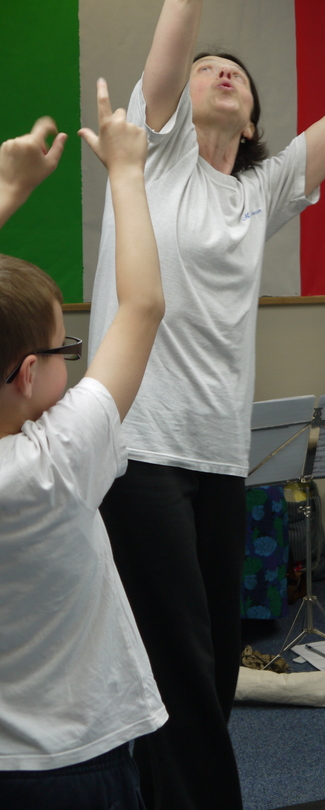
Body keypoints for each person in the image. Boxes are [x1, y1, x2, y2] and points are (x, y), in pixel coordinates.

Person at [85, 0, 325, 807]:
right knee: (174, 652)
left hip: (216, 453)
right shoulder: (154, 155)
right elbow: (175, 36)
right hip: (135, 446)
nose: (221, 73)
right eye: (209, 68)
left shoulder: (259, 190)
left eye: (237, 74)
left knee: (211, 655)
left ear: (250, 125)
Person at [0, 82, 167, 808]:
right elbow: (143, 305)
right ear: (30, 372)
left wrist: (8, 189)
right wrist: (128, 173)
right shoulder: (57, 461)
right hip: (76, 762)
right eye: (67, 343)